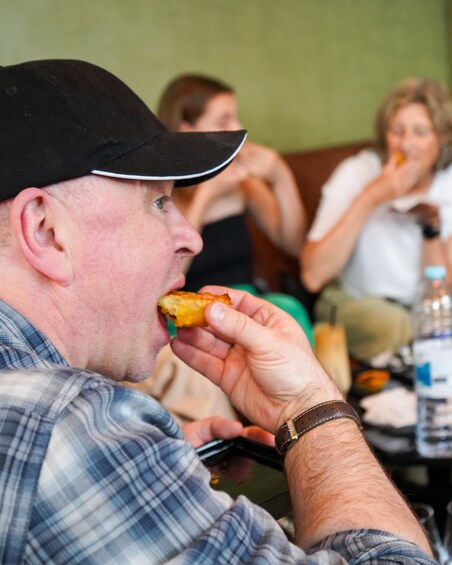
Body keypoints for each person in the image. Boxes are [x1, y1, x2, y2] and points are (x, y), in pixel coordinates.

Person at [0, 59, 434, 563]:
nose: (191, 238)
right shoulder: (67, 428)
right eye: (158, 204)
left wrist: (145, 462)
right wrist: (312, 407)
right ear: (45, 231)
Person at [301, 77, 452, 364]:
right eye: (397, 131)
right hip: (353, 302)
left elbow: (444, 291)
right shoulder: (358, 173)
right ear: (385, 136)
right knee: (400, 325)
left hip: (420, 310)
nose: (407, 144)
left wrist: (431, 226)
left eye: (420, 132)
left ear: (442, 137)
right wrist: (372, 197)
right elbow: (313, 274)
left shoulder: (448, 182)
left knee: (432, 324)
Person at [157, 74, 313, 344]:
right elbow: (169, 273)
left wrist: (280, 175)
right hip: (189, 313)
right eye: (224, 120)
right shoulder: (163, 192)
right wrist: (205, 197)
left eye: (236, 117)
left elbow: (293, 244)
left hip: (243, 302)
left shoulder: (242, 184)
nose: (238, 128)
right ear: (186, 130)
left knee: (288, 309)